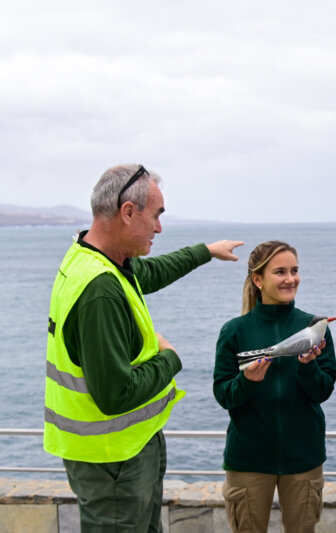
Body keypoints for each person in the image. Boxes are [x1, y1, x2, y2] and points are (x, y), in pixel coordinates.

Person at [43, 163, 243, 532]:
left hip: (124, 452)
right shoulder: (99, 290)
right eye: (157, 215)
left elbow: (150, 273)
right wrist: (170, 359)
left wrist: (206, 251)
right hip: (113, 461)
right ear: (128, 212)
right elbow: (115, 394)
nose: (160, 227)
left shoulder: (93, 258)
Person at [214, 240, 336, 533]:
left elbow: (323, 391)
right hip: (248, 460)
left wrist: (307, 367)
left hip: (303, 458)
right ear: (258, 280)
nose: (290, 279)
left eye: (294, 270)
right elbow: (223, 394)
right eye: (280, 272)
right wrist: (247, 382)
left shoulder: (316, 327)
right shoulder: (234, 331)